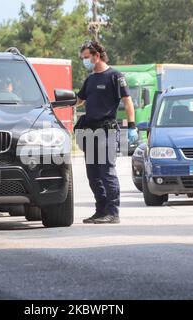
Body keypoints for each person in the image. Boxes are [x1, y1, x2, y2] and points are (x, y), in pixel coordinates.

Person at [75, 40, 138, 225]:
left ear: (96, 55)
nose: (84, 61)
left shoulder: (115, 76)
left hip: (107, 131)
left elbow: (127, 102)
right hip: (89, 133)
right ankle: (100, 210)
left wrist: (132, 126)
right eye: (83, 58)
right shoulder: (90, 79)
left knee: (106, 173)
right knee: (92, 174)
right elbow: (79, 100)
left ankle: (113, 212)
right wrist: (59, 101)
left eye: (86, 57)